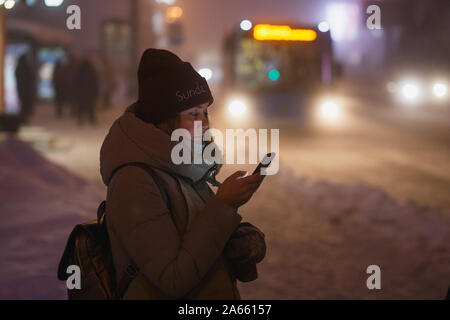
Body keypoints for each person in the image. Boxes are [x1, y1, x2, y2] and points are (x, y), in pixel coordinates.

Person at [99, 48, 267, 299]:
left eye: (205, 112)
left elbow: (194, 234)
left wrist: (239, 240)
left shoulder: (183, 166)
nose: (206, 123)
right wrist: (223, 204)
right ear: (166, 119)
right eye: (193, 114)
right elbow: (173, 277)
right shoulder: (133, 181)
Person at [73, 58, 99, 125]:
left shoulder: (79, 71)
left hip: (81, 93)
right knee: (90, 107)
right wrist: (95, 93)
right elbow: (95, 83)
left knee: (81, 107)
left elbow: (75, 83)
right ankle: (91, 120)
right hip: (89, 94)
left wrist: (76, 93)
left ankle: (80, 120)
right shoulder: (91, 71)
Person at [15, 54, 36, 123]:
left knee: (25, 106)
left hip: (24, 91)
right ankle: (22, 119)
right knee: (24, 106)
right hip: (25, 91)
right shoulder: (23, 68)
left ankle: (23, 119)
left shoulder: (21, 68)